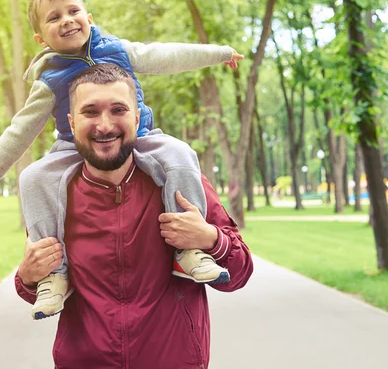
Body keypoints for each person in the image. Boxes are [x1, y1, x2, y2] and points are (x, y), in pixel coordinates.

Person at [0, 0, 245, 319]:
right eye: (54, 17)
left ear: (88, 16)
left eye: (73, 11)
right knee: (32, 178)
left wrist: (219, 52)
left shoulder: (118, 49)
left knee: (181, 154)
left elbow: (168, 55)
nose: (67, 20)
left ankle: (188, 250)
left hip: (139, 135)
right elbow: (20, 130)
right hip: (74, 147)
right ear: (40, 39)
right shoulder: (50, 79)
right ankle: (54, 274)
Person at [16, 63, 253, 368]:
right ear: (72, 124)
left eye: (118, 110)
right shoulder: (54, 197)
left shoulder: (180, 182)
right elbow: (36, 287)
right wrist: (27, 276)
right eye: (90, 112)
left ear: (137, 118)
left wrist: (211, 239)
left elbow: (239, 274)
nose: (104, 125)